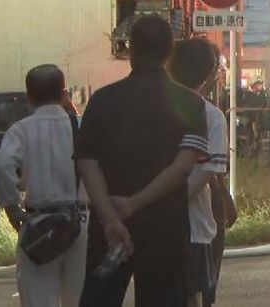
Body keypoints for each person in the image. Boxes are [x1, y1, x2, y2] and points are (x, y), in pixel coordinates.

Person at [76, 16, 209, 306]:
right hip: (166, 229)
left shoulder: (102, 100)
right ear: (168, 51)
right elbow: (183, 165)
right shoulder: (191, 104)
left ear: (131, 50)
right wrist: (135, 203)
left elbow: (87, 163)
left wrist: (111, 218)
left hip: (108, 231)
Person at [0, 65, 88, 307]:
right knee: (80, 299)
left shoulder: (21, 130)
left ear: (29, 97)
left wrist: (12, 208)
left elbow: (2, 165)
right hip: (81, 223)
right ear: (63, 93)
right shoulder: (81, 126)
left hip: (39, 225)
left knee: (38, 299)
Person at [169, 39, 234, 307]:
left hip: (152, 220)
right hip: (195, 221)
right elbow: (209, 171)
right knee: (195, 292)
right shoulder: (211, 115)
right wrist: (175, 198)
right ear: (210, 74)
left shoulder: (156, 107)